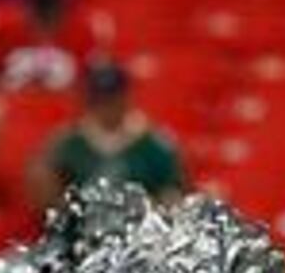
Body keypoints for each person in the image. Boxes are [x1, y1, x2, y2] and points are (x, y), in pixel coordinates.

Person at [31, 61, 186, 203]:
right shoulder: (69, 141)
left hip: (140, 226)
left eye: (113, 100)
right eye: (100, 101)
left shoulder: (153, 142)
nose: (107, 108)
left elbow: (174, 190)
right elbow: (47, 194)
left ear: (125, 98)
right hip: (85, 226)